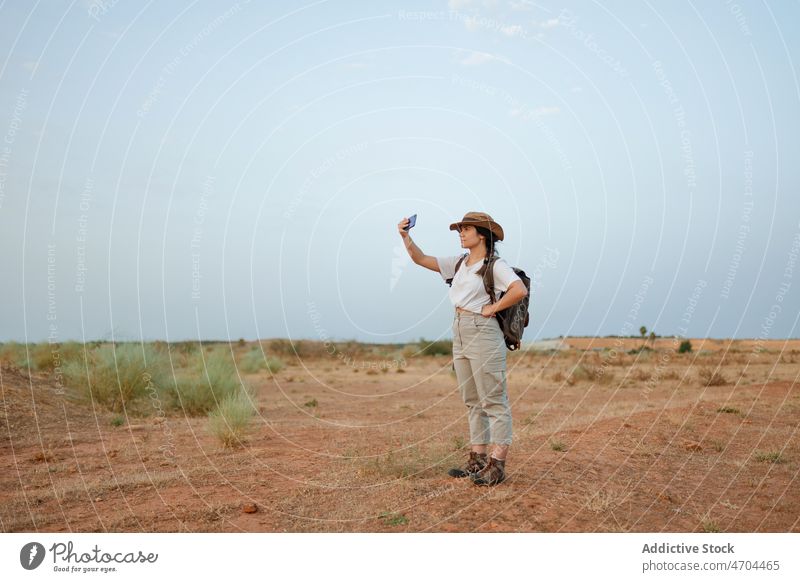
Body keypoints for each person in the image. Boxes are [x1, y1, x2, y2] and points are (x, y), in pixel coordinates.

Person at [397, 211, 528, 486]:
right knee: (472, 399)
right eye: (460, 230)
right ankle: (477, 460)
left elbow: (518, 290)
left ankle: (497, 465)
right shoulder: (459, 263)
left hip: (482, 331)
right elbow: (421, 259)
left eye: (466, 229)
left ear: (482, 235)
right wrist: (406, 236)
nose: (461, 233)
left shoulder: (495, 265)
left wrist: (493, 307)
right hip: (459, 328)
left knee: (493, 399)